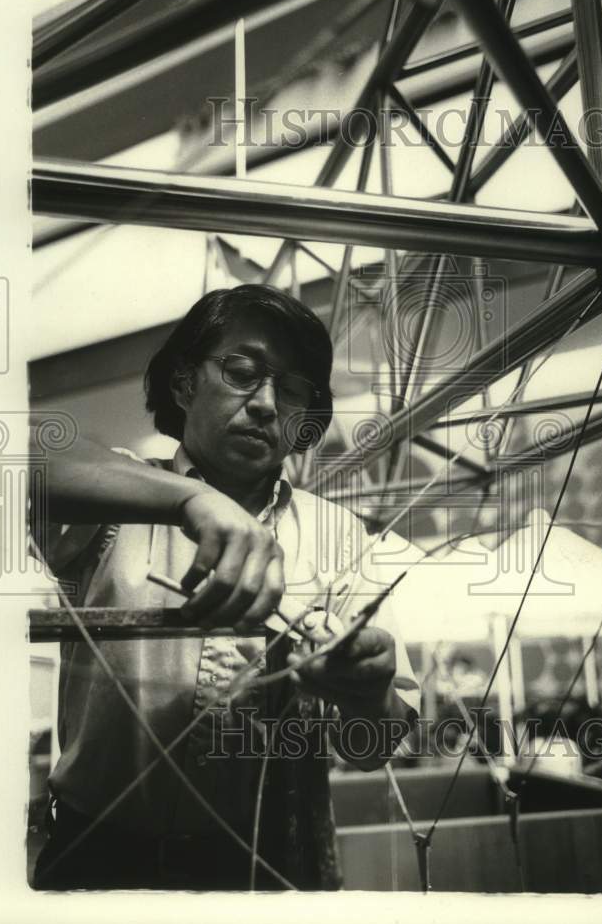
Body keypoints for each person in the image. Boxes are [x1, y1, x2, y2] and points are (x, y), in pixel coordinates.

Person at [30, 284, 420, 891]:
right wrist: (191, 498)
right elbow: (3, 456)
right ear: (184, 384)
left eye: (292, 390)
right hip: (98, 856)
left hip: (268, 865)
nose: (266, 403)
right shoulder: (114, 500)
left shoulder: (342, 538)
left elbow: (376, 746)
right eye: (242, 372)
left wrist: (368, 695)